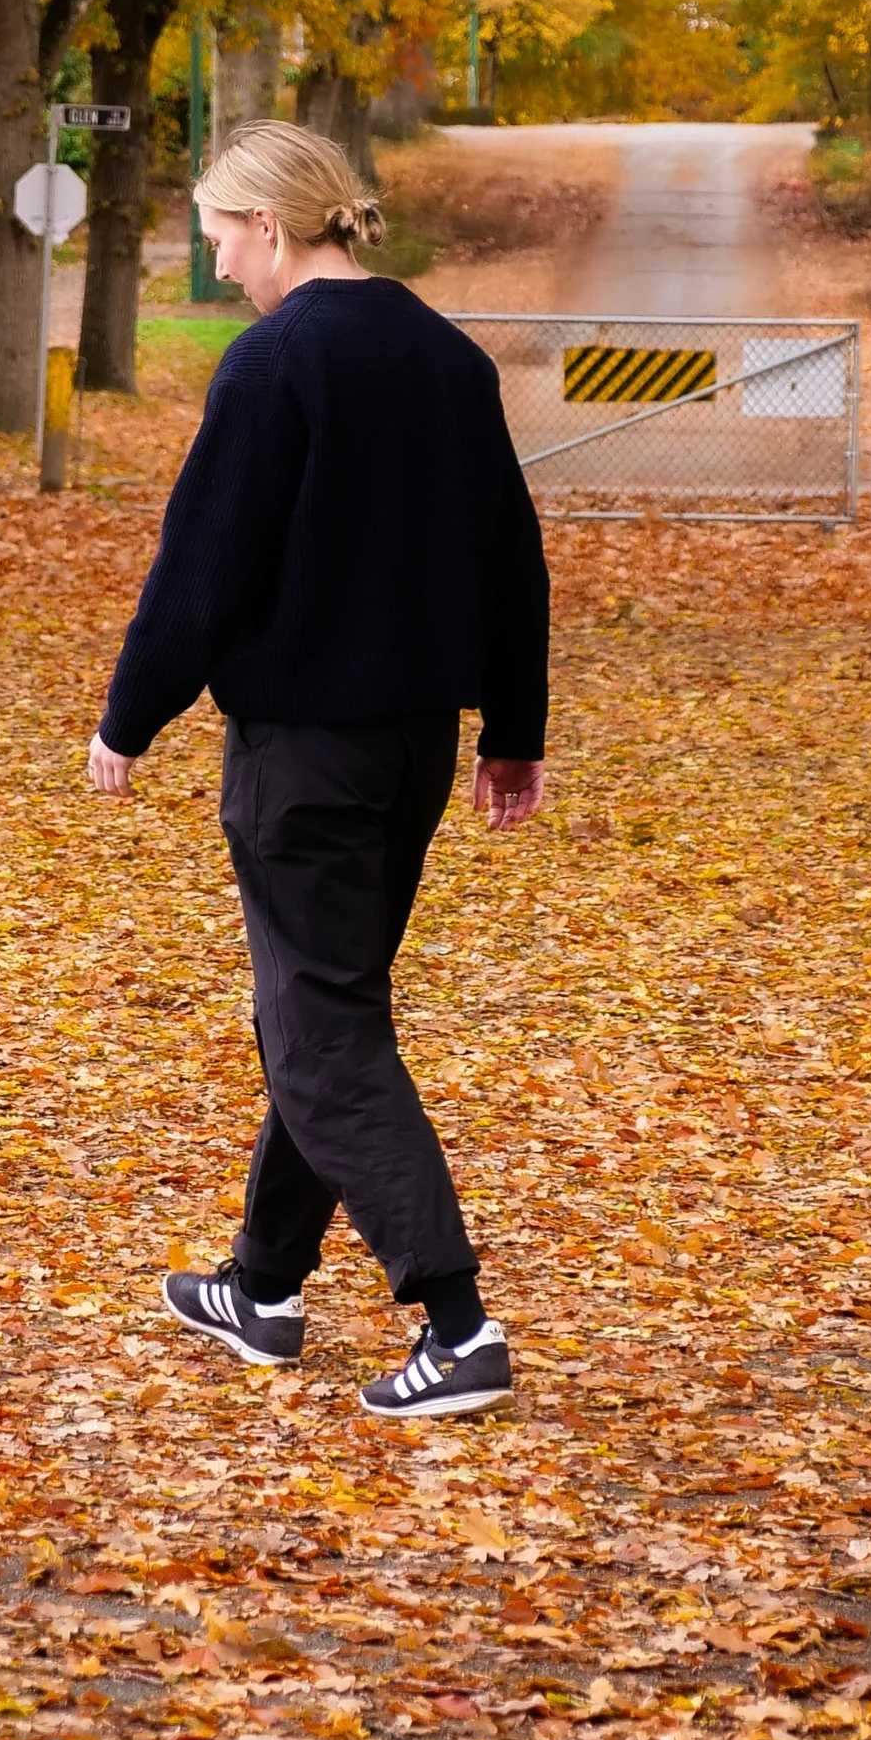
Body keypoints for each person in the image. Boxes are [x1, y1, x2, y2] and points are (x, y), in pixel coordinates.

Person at [87, 118, 550, 1420]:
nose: (220, 259)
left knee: (322, 1027)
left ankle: (455, 1323)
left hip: (301, 759)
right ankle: (264, 1285)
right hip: (411, 753)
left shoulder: (272, 363)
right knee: (324, 1006)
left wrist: (130, 716)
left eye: (224, 234)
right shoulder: (450, 360)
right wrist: (513, 728)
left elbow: (201, 570)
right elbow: (512, 560)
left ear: (277, 229)